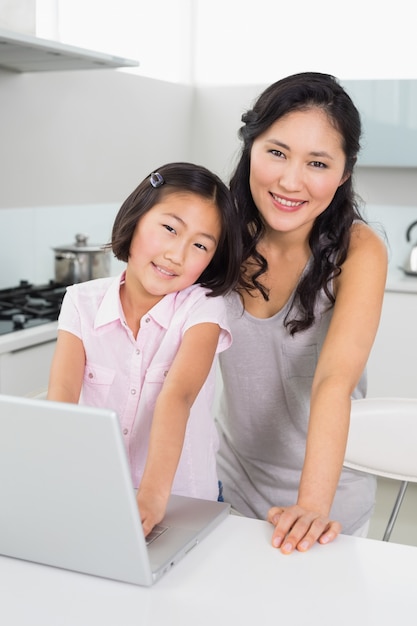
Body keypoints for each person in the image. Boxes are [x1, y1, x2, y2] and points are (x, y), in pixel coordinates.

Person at [215, 72, 388, 554]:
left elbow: (334, 379)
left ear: (344, 172)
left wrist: (311, 507)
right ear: (250, 147)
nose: (291, 181)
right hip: (226, 485)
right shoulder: (217, 235)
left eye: (317, 162)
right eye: (276, 152)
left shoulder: (359, 249)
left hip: (328, 501)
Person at [47, 162, 242, 537]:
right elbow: (62, 399)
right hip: (96, 494)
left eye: (200, 245)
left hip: (183, 502)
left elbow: (178, 396)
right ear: (136, 218)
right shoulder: (80, 302)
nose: (177, 255)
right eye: (170, 229)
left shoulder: (203, 308)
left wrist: (152, 497)